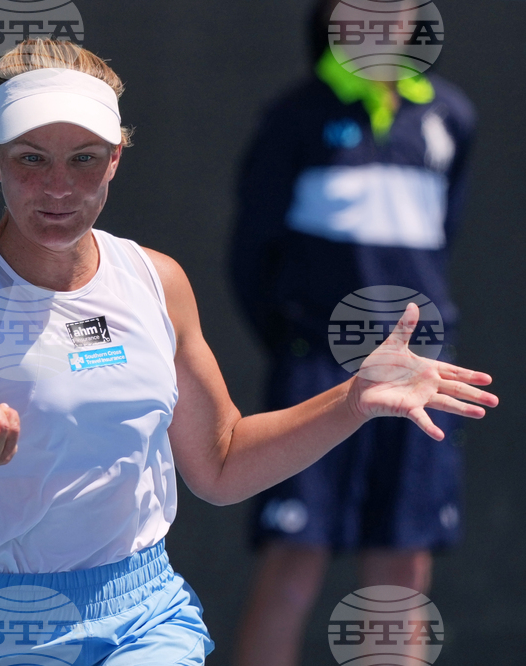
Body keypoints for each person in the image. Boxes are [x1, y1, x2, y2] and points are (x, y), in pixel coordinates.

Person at [0, 39, 496, 666]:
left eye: (85, 157)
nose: (58, 188)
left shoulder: (158, 281)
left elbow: (221, 460)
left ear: (116, 157)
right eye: (32, 158)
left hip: (145, 616)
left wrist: (351, 401)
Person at [228, 2, 481, 665]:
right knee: (296, 555)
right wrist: (305, 343)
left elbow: (440, 240)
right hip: (317, 368)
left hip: (420, 373)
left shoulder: (451, 117)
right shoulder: (293, 117)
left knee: (403, 565)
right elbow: (250, 256)